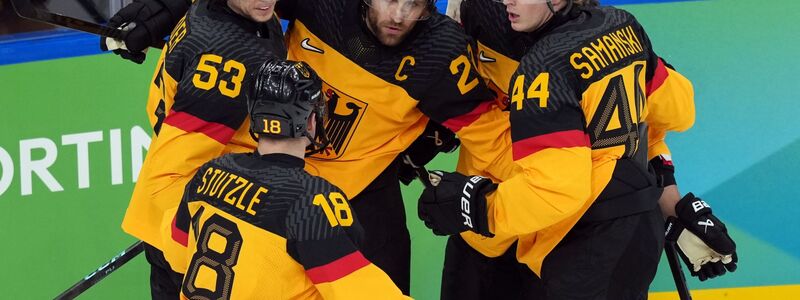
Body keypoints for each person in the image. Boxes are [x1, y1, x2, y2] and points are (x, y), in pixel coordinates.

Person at [105, 0, 518, 294]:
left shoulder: (441, 52)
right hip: (272, 181)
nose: (398, 16)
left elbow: (491, 136)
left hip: (360, 195)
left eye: (414, 5)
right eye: (390, 0)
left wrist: (495, 202)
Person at [418, 0, 737, 298]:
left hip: (562, 233)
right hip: (501, 237)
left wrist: (475, 208)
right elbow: (671, 113)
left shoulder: (554, 55)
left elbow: (647, 125)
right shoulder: (614, 26)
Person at [168, 58, 409, 299]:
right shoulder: (312, 202)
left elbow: (176, 253)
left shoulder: (210, 172)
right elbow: (359, 292)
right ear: (312, 121)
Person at [114, 0, 287, 298]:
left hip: (183, 216)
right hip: (193, 234)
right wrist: (190, 245)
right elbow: (172, 172)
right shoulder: (227, 61)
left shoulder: (232, 13)